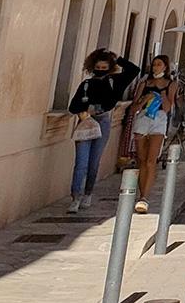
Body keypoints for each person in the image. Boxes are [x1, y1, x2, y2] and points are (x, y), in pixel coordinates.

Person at [66, 49, 138, 213]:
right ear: (93, 67)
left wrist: (117, 58)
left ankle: (88, 193)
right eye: (98, 66)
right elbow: (73, 106)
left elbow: (134, 70)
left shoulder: (115, 81)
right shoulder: (86, 84)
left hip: (104, 121)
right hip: (85, 122)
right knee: (81, 163)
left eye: (104, 67)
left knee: (94, 162)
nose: (101, 70)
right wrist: (83, 111)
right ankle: (75, 196)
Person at [125, 55, 177, 213]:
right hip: (143, 119)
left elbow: (168, 108)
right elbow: (134, 108)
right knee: (141, 160)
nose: (155, 68)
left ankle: (144, 197)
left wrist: (160, 95)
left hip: (159, 121)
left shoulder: (171, 84)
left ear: (165, 67)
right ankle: (141, 193)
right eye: (154, 65)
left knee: (150, 161)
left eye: (159, 64)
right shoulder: (144, 83)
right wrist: (143, 100)